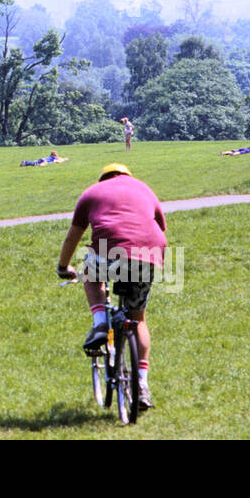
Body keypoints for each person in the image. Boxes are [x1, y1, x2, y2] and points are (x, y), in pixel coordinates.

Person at [55, 163, 167, 411]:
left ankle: (100, 323)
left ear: (103, 178)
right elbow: (159, 225)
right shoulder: (144, 189)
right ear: (128, 176)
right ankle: (142, 385)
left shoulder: (92, 192)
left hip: (110, 250)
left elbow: (73, 237)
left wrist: (63, 267)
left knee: (89, 273)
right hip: (147, 253)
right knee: (138, 320)